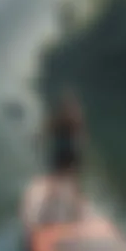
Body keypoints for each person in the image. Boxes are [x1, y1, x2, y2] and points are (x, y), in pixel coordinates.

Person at [35, 89, 88, 220]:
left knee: (56, 180)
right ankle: (76, 211)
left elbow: (46, 131)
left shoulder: (60, 118)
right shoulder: (75, 116)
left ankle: (51, 210)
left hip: (62, 153)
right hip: (71, 153)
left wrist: (37, 139)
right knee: (72, 181)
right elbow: (82, 135)